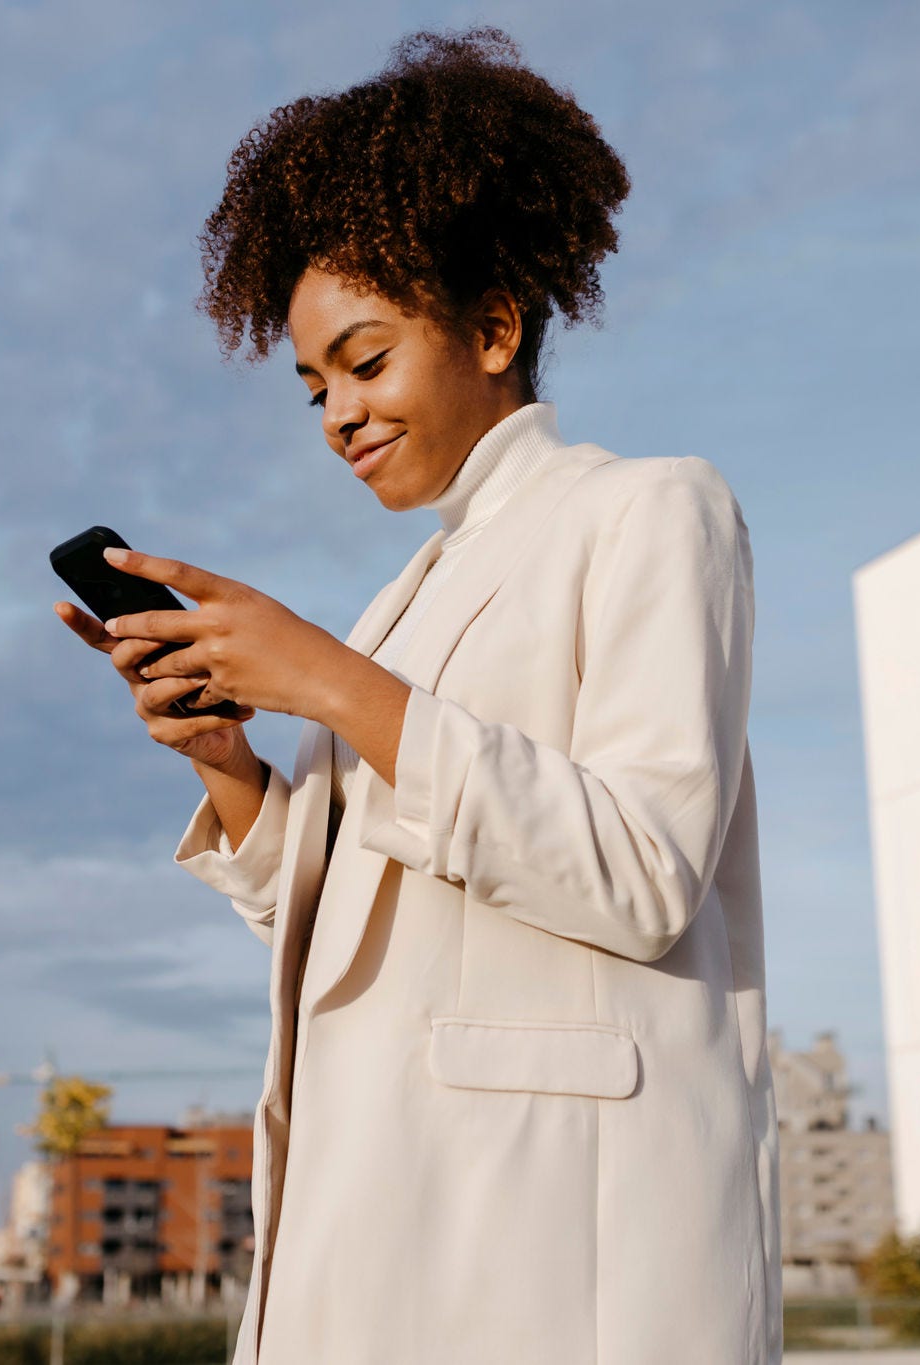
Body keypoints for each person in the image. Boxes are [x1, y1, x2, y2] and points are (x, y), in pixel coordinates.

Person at [53, 24, 779, 1365]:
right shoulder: (408, 599)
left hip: (557, 1254)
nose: (336, 412)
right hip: (370, 1219)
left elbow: (641, 868)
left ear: (495, 326)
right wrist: (229, 764)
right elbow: (360, 918)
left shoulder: (651, 510)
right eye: (314, 384)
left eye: (367, 359)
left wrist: (325, 673)